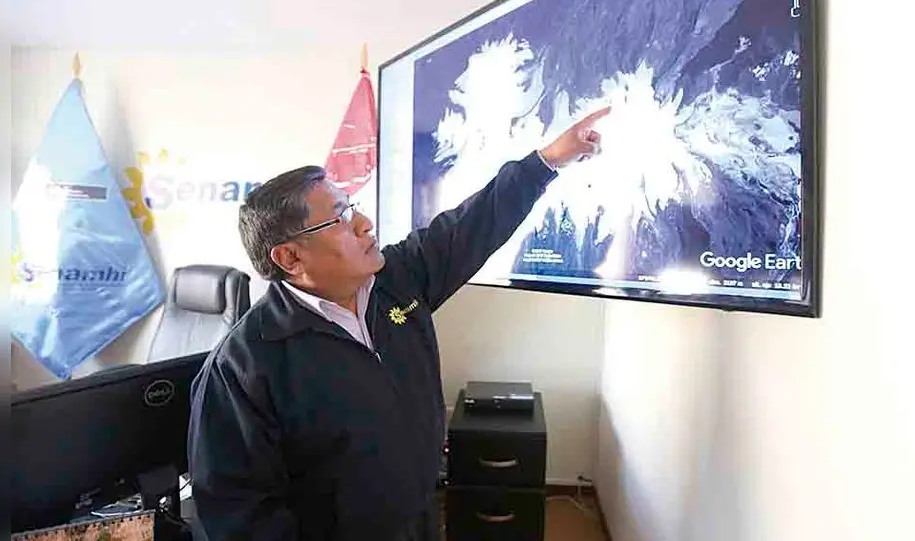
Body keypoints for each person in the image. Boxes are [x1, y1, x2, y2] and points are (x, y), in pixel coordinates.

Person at [187, 106, 611, 541]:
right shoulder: (243, 366)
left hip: (421, 520)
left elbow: (473, 225)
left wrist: (548, 161)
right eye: (341, 218)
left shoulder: (397, 279)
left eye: (353, 208)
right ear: (291, 257)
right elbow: (240, 516)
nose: (365, 224)